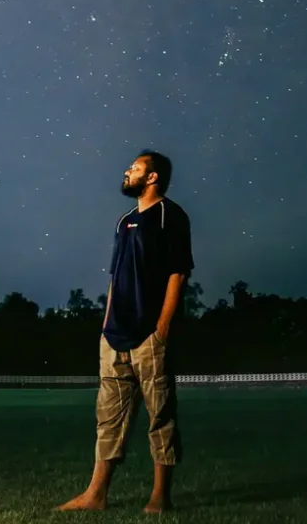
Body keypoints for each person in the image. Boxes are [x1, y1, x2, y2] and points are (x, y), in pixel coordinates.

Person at [57, 150, 194, 514]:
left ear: (152, 178)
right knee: (109, 417)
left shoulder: (171, 215)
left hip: (149, 335)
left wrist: (161, 330)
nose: (127, 171)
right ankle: (95, 495)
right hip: (115, 335)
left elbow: (178, 274)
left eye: (134, 168)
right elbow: (116, 277)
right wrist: (105, 325)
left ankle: (160, 498)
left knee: (160, 416)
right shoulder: (124, 221)